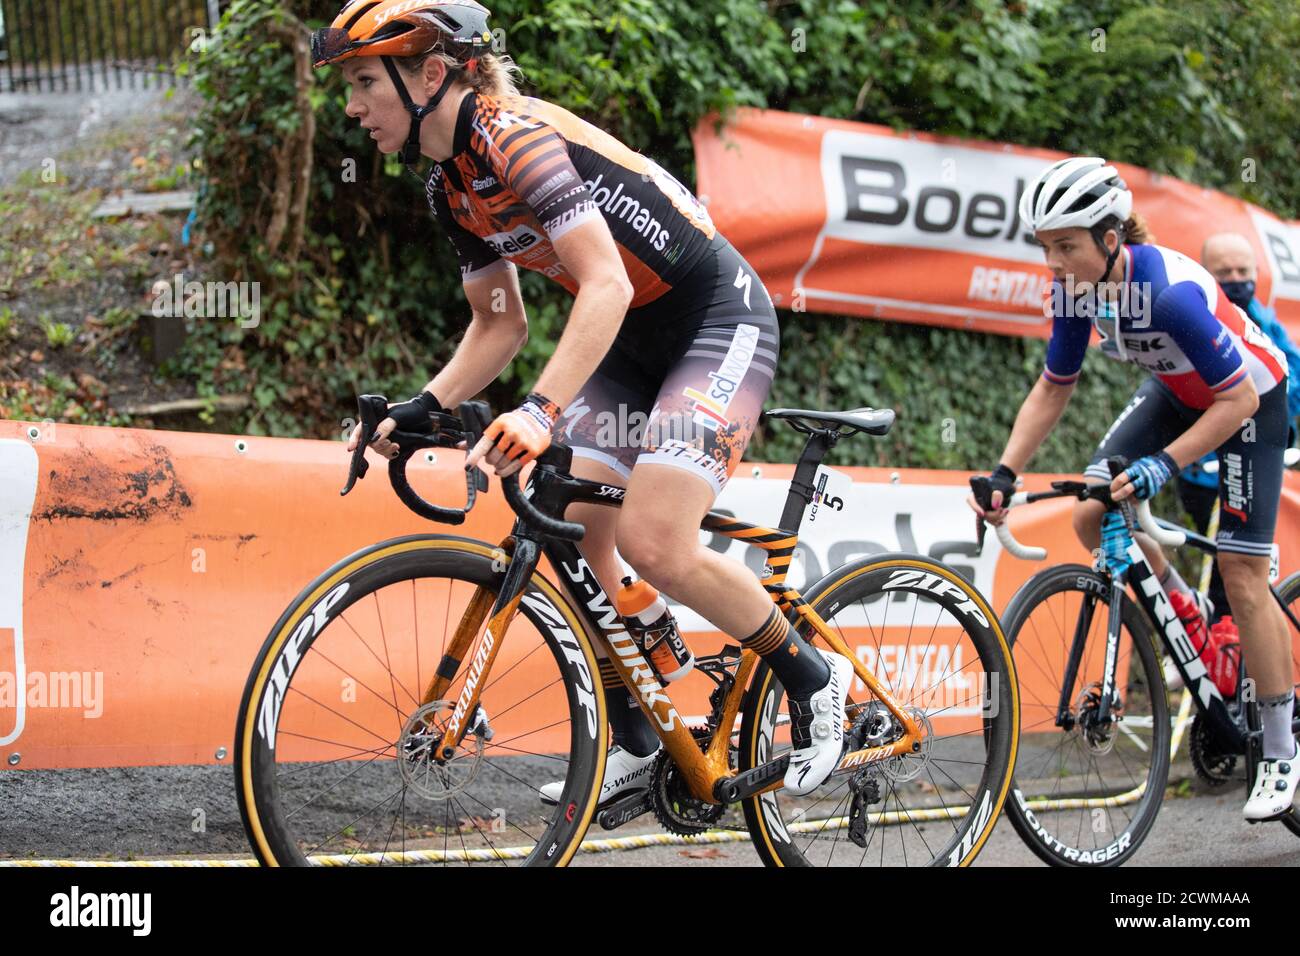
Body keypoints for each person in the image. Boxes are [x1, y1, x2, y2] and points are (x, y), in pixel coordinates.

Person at [315, 0, 854, 803]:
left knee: (653, 538)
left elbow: (601, 280)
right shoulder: (448, 184)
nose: (352, 107)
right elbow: (499, 325)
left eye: (363, 82)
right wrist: (421, 406)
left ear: (431, 75)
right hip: (629, 340)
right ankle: (641, 732)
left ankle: (816, 680)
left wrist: (537, 411)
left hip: (713, 318)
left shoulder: (514, 139)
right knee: (573, 525)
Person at [968, 156, 1296, 821]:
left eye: (1067, 246)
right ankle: (1188, 613)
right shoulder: (1073, 291)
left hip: (1249, 403)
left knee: (1240, 572)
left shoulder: (1169, 293)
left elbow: (1233, 402)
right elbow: (1055, 386)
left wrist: (1162, 466)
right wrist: (1004, 470)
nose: (1054, 262)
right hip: (1177, 394)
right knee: (1094, 512)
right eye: (1046, 248)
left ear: (1111, 237)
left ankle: (1283, 749)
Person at [1173, 234, 1300, 622]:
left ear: (1257, 274)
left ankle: (1239, 659)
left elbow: (1290, 383)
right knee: (1222, 572)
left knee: (1241, 576)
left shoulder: (1264, 320)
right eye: (1224, 272)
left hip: (1254, 462)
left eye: (1243, 271)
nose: (1236, 279)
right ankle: (1211, 643)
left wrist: (1250, 393)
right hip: (1202, 472)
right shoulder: (1188, 316)